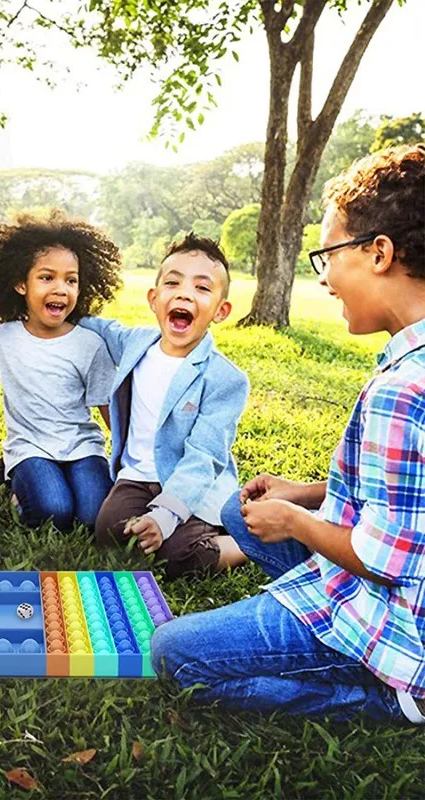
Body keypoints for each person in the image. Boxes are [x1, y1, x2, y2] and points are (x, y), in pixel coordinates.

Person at [152, 144, 425, 722]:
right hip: (383, 584)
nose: (324, 280)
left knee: (174, 653)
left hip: (395, 622)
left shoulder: (405, 390)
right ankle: (296, 608)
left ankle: (389, 698)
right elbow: (406, 499)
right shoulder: (408, 360)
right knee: (236, 512)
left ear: (379, 253)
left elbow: (388, 560)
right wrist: (302, 494)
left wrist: (295, 522)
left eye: (327, 257)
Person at [82, 233, 249, 579]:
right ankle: (170, 529)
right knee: (110, 534)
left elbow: (204, 457)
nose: (185, 293)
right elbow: (97, 326)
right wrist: (56, 309)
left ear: (221, 311)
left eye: (202, 288)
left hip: (192, 484)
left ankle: (241, 542)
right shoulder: (135, 343)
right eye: (173, 283)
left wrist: (164, 515)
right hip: (137, 477)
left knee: (175, 556)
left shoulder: (225, 379)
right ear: (154, 299)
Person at [0, 211, 120, 531]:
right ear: (21, 284)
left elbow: (105, 405)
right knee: (53, 513)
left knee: (91, 518)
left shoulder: (90, 344)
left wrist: (131, 457)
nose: (61, 288)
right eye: (47, 278)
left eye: (70, 280)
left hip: (83, 447)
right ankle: (18, 484)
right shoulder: (3, 338)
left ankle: (17, 475)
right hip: (30, 447)